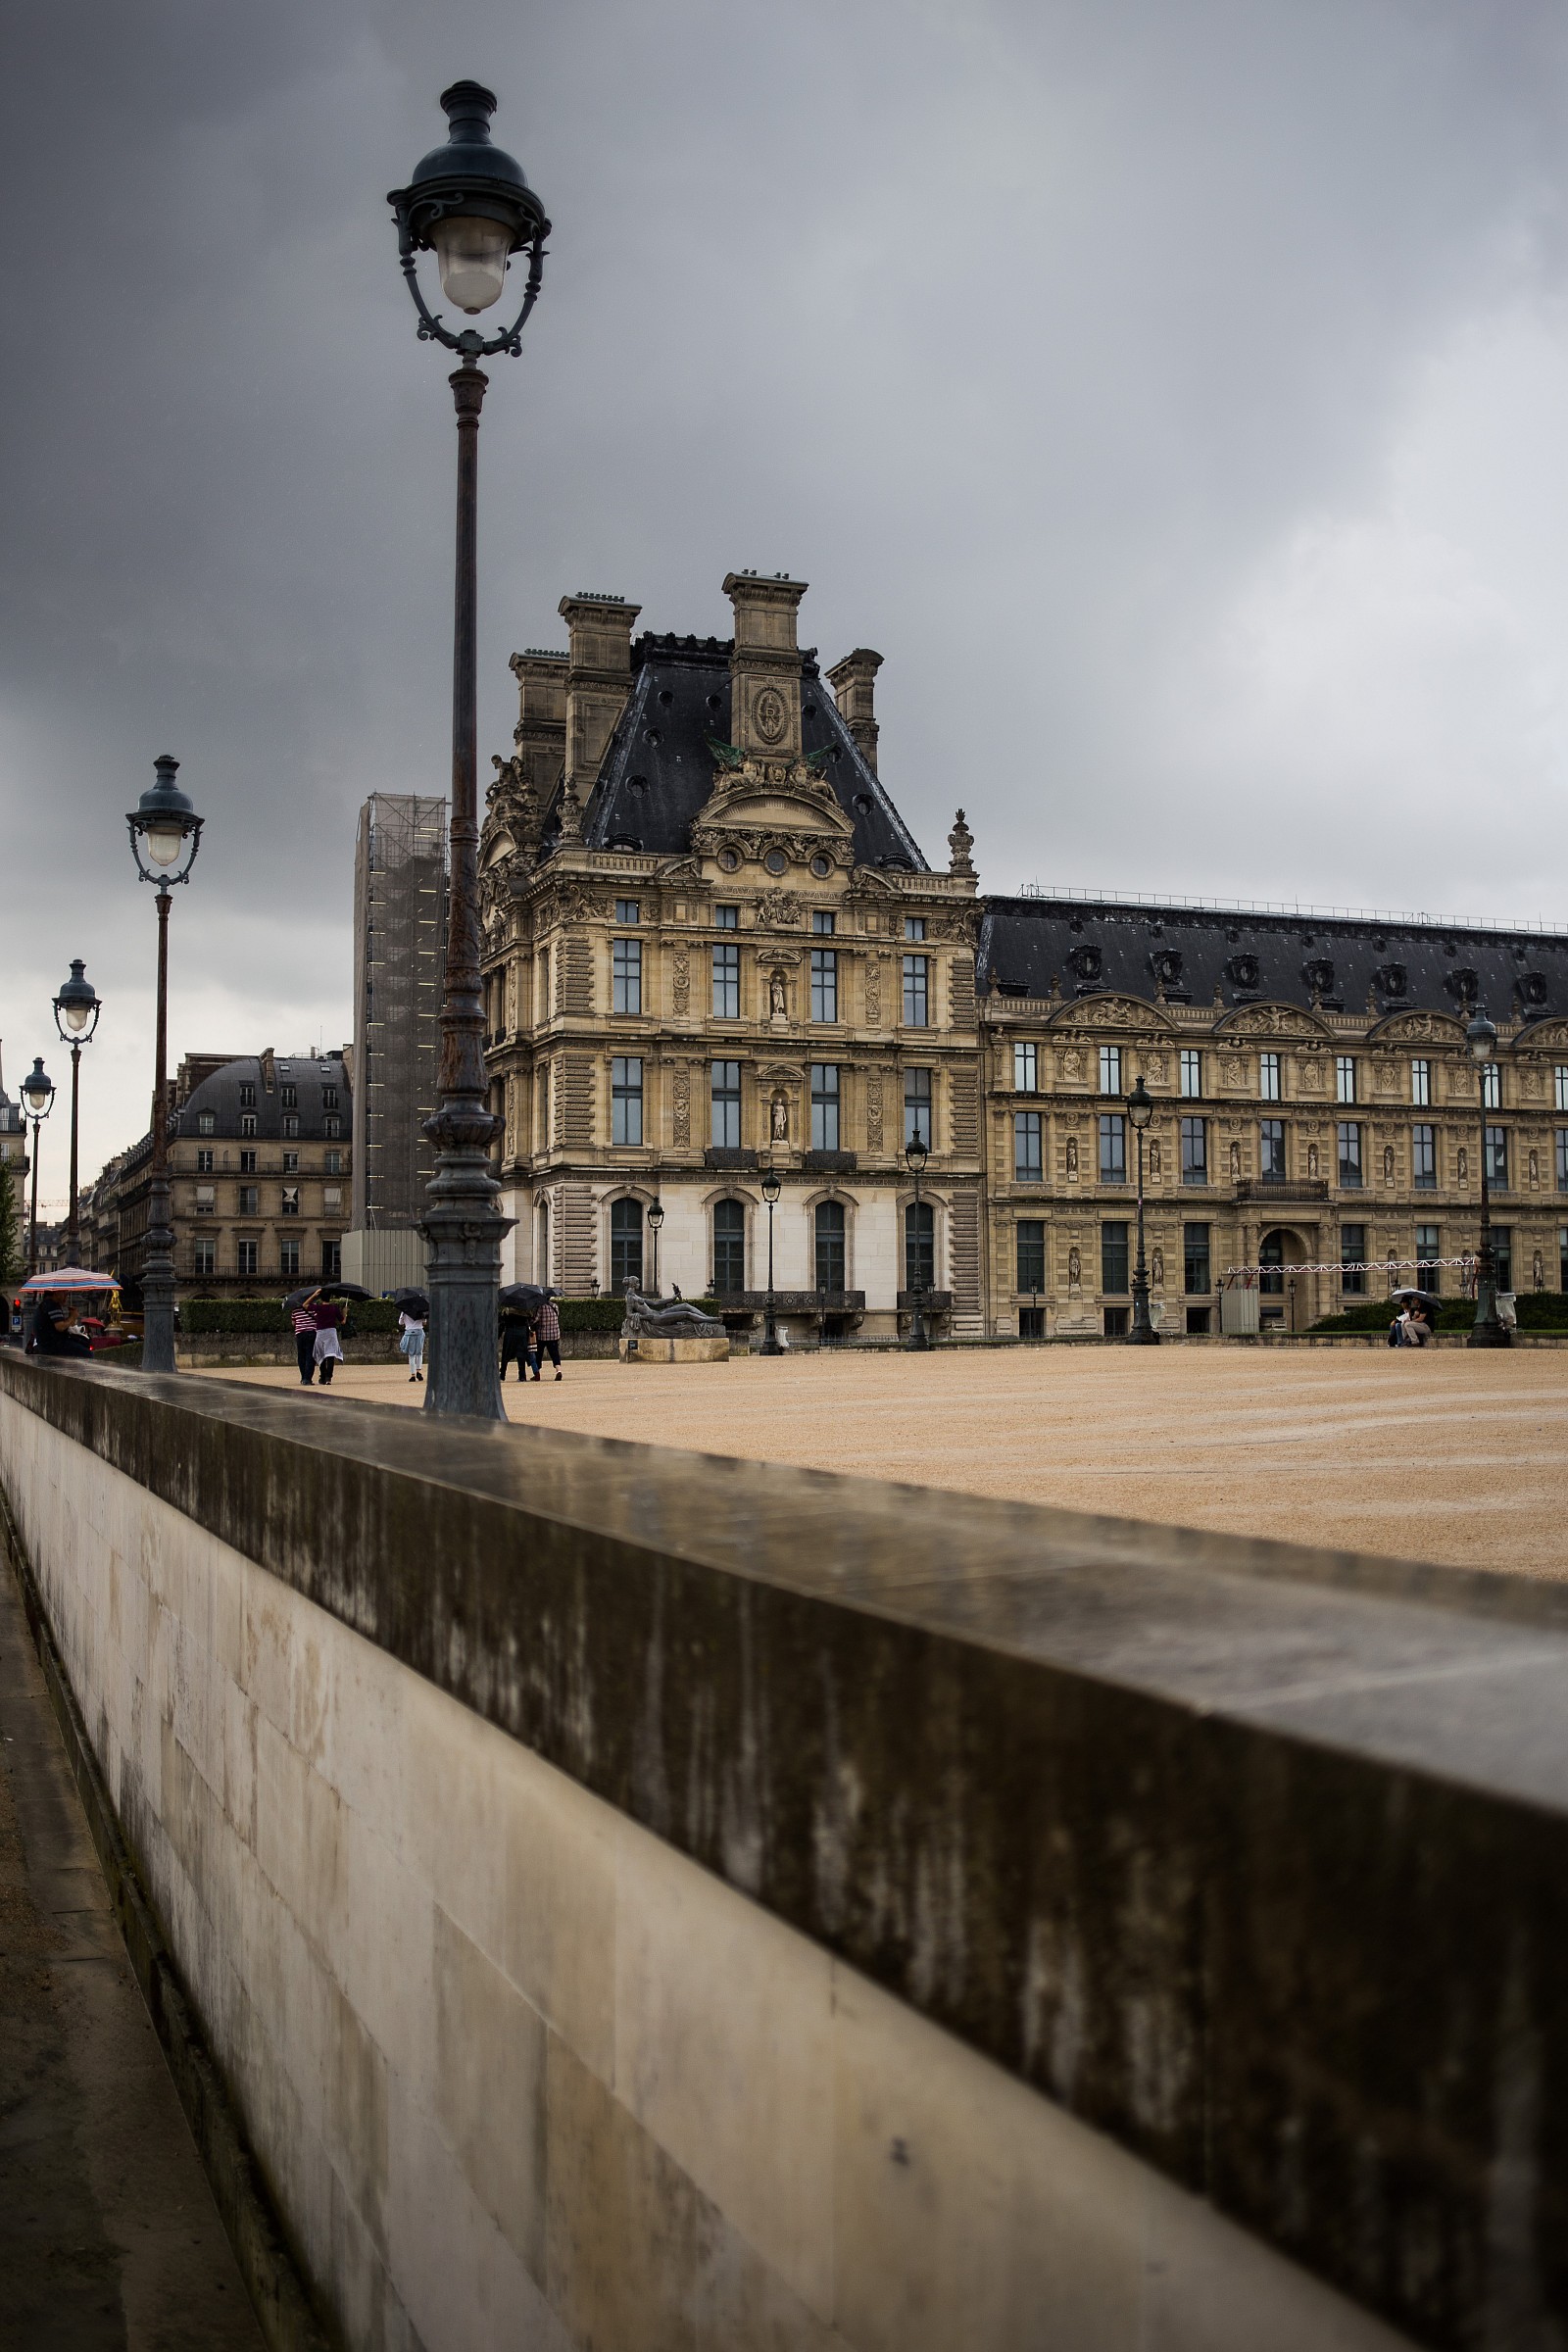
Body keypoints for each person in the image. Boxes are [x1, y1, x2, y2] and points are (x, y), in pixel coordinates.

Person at [291, 1291, 322, 1386]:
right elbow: (318, 1319)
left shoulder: (295, 1309)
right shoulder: (312, 1307)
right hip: (311, 1333)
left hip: (300, 1334)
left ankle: (303, 1377)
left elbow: (293, 1323)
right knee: (310, 1356)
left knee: (301, 1356)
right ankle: (307, 1379)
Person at [313, 1297, 344, 1387]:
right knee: (330, 1355)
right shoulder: (334, 1308)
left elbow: (305, 1305)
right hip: (331, 1332)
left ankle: (322, 1376)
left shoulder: (318, 1308)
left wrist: (314, 1295)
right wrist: (345, 1313)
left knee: (321, 1354)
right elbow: (342, 1321)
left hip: (320, 1332)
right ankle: (328, 1377)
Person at [530, 1291, 563, 1381]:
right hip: (554, 1334)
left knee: (539, 1354)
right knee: (555, 1353)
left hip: (542, 1335)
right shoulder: (555, 1306)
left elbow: (535, 1319)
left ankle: (537, 1373)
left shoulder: (540, 1307)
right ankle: (558, 1370)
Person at [499, 1311, 530, 1383]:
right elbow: (527, 1323)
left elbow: (502, 1323)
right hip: (521, 1333)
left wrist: (499, 1334)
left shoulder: (507, 1311)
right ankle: (522, 1376)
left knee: (506, 1354)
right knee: (521, 1355)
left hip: (510, 1332)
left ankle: (502, 1375)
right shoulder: (524, 1311)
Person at [399, 1306, 426, 1384]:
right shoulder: (421, 1310)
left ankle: (412, 1375)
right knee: (419, 1353)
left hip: (409, 1333)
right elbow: (424, 1322)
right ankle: (418, 1371)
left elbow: (400, 1323)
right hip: (419, 1332)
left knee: (411, 1355)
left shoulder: (404, 1311)